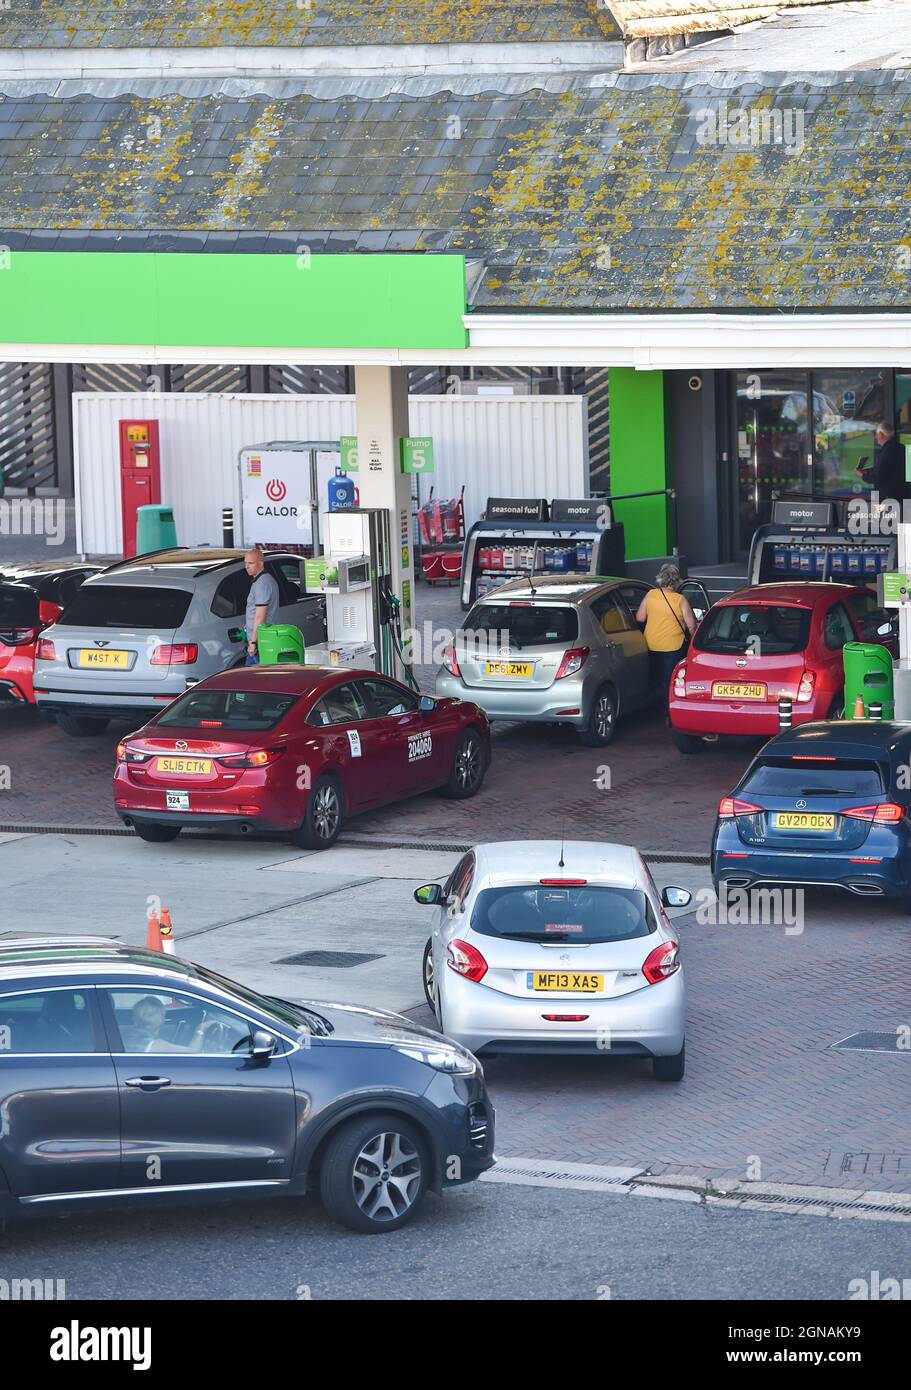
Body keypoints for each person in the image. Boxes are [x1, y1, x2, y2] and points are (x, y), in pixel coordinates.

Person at [635, 564, 697, 712]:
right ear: (676, 581)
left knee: (656, 679)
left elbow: (640, 617)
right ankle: (668, 713)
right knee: (670, 681)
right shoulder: (680, 600)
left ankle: (653, 710)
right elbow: (691, 626)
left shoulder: (650, 594)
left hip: (651, 645)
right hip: (673, 647)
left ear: (660, 579)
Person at [855, 421, 907, 507]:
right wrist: (870, 470)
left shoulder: (886, 452)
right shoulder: (902, 447)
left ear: (881, 434)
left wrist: (861, 475)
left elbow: (878, 478)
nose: (875, 437)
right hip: (902, 497)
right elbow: (893, 470)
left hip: (888, 500)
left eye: (876, 434)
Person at [243, 547, 280, 665]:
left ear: (261, 564)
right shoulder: (261, 581)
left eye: (251, 563)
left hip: (261, 642)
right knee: (251, 678)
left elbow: (260, 616)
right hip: (260, 640)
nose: (247, 566)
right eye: (245, 563)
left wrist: (253, 643)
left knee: (257, 678)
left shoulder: (262, 583)